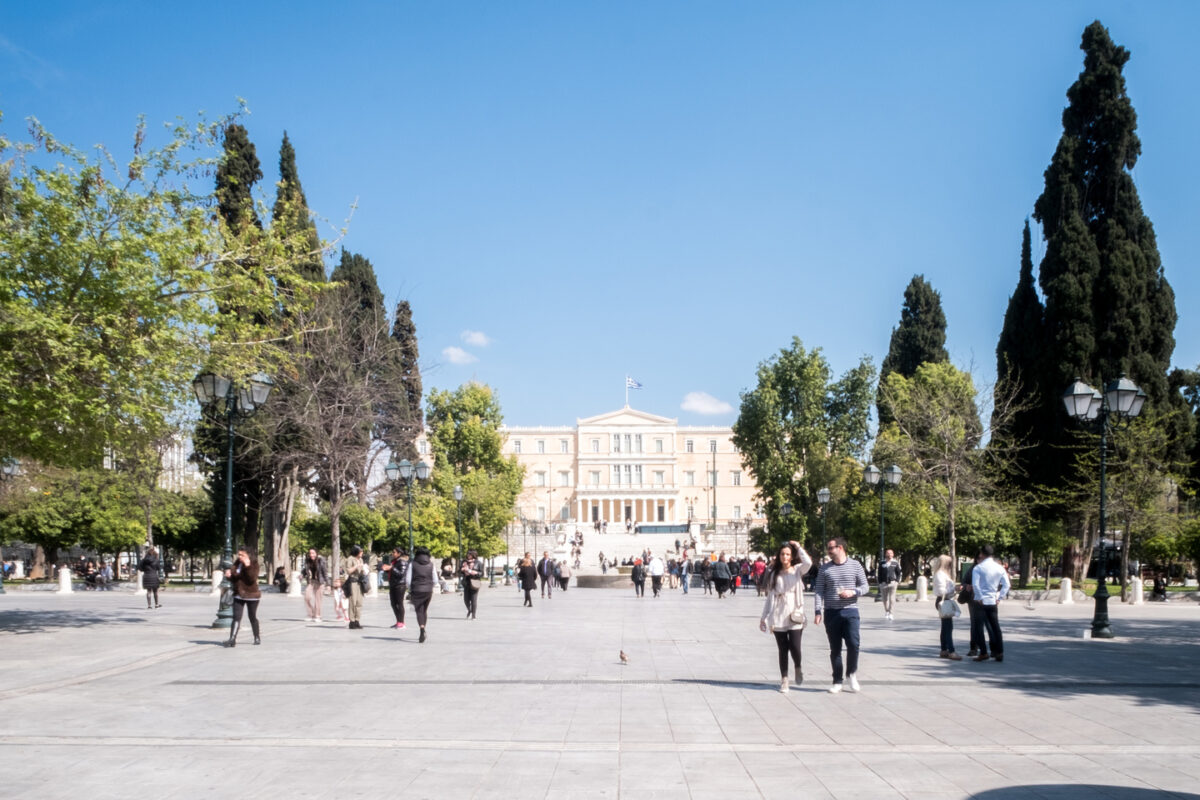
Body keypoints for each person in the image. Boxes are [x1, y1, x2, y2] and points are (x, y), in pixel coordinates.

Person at [812, 537, 869, 694]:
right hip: (831, 612)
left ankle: (851, 674)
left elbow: (865, 587)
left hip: (851, 611)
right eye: (828, 548)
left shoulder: (855, 565)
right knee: (835, 648)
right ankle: (837, 680)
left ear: (841, 548)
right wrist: (818, 611)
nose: (829, 551)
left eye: (831, 548)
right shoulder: (825, 568)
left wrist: (853, 592)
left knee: (854, 644)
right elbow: (819, 591)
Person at [759, 541, 814, 692]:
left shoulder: (797, 570)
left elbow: (808, 562)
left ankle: (797, 665)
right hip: (778, 614)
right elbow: (770, 597)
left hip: (795, 612)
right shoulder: (773, 573)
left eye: (788, 554)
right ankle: (784, 680)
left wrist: (798, 547)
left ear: (791, 556)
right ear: (779, 555)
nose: (785, 557)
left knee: (795, 647)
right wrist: (764, 617)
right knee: (783, 649)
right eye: (782, 554)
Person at [970, 545, 1010, 662]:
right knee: (995, 626)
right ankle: (999, 651)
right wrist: (1000, 596)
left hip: (980, 601)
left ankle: (983, 652)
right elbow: (1007, 585)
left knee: (979, 627)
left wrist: (979, 597)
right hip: (993, 600)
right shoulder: (999, 568)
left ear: (982, 554)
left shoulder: (978, 568)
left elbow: (976, 585)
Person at [224, 547, 261, 647]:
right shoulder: (237, 564)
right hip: (238, 594)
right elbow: (235, 579)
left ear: (248, 555)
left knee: (252, 617)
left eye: (242, 555)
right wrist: (229, 576)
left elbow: (251, 579)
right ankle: (232, 639)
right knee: (236, 617)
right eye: (239, 554)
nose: (239, 557)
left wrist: (248, 565)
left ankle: (257, 637)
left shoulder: (254, 563)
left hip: (251, 595)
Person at [931, 554, 963, 660]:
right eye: (949, 563)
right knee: (948, 627)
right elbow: (941, 591)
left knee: (945, 627)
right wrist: (954, 589)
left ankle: (944, 649)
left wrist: (954, 588)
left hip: (944, 600)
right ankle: (951, 651)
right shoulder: (940, 574)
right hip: (943, 600)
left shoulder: (942, 574)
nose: (951, 565)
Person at [405, 546, 436, 642]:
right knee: (424, 610)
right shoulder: (431, 564)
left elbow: (408, 580)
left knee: (419, 610)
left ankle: (422, 629)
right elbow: (435, 580)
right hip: (428, 590)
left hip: (416, 589)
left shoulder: (412, 564)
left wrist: (410, 588)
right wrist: (431, 586)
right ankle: (423, 628)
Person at [963, 554, 984, 657]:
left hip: (986, 600)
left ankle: (990, 648)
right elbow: (964, 581)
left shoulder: (989, 568)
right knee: (975, 624)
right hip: (973, 600)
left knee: (987, 624)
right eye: (979, 557)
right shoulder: (973, 569)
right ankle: (974, 648)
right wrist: (967, 586)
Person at [302, 548, 328, 623]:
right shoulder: (307, 560)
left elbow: (324, 571)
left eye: (313, 553)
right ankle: (311, 613)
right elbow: (305, 570)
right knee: (307, 597)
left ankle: (318, 616)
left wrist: (328, 584)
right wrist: (302, 574)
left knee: (318, 600)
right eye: (310, 553)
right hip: (311, 581)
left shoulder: (321, 560)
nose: (311, 555)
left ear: (316, 553)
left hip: (319, 582)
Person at [384, 548, 407, 628]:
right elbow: (393, 572)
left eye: (394, 552)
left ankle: (402, 622)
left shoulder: (402, 562)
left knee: (399, 603)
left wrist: (392, 568)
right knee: (393, 604)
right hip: (393, 584)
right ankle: (398, 621)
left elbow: (401, 574)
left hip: (400, 585)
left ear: (399, 553)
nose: (392, 553)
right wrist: (386, 569)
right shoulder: (394, 561)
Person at [344, 545, 366, 630]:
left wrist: (364, 569)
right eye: (360, 551)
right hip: (352, 582)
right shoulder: (350, 559)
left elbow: (362, 571)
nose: (362, 553)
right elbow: (348, 571)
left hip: (360, 582)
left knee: (359, 602)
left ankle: (357, 620)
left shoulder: (360, 559)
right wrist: (356, 567)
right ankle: (352, 621)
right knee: (352, 602)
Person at [879, 548, 901, 621]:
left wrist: (897, 581)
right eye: (888, 553)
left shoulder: (895, 563)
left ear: (893, 554)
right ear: (885, 554)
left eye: (891, 553)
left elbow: (898, 573)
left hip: (892, 583)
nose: (889, 555)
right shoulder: (882, 563)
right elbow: (879, 573)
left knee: (892, 599)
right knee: (885, 599)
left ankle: (891, 613)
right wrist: (880, 582)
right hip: (884, 583)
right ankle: (887, 611)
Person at [460, 550, 482, 619]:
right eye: (467, 554)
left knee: (473, 599)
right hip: (466, 582)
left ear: (473, 555)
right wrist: (462, 570)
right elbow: (459, 571)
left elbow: (481, 573)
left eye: (469, 554)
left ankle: (473, 615)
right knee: (466, 599)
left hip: (475, 582)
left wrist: (475, 573)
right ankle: (469, 610)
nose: (468, 556)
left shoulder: (478, 563)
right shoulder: (464, 562)